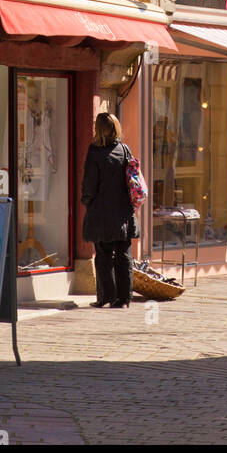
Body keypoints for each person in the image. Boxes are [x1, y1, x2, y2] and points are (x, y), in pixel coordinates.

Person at [81, 112, 139, 308]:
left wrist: (86, 201)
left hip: (102, 212)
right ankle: (124, 299)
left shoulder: (94, 151)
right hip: (123, 212)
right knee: (124, 256)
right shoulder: (124, 149)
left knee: (104, 256)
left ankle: (106, 296)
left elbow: (89, 184)